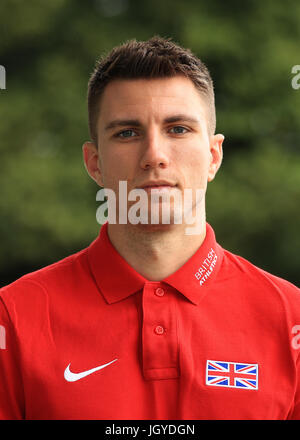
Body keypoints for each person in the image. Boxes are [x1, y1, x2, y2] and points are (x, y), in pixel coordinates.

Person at [0, 36, 299, 420]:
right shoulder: (13, 317)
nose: (154, 155)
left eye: (178, 129)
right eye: (127, 133)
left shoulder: (291, 319)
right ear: (94, 163)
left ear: (213, 155)